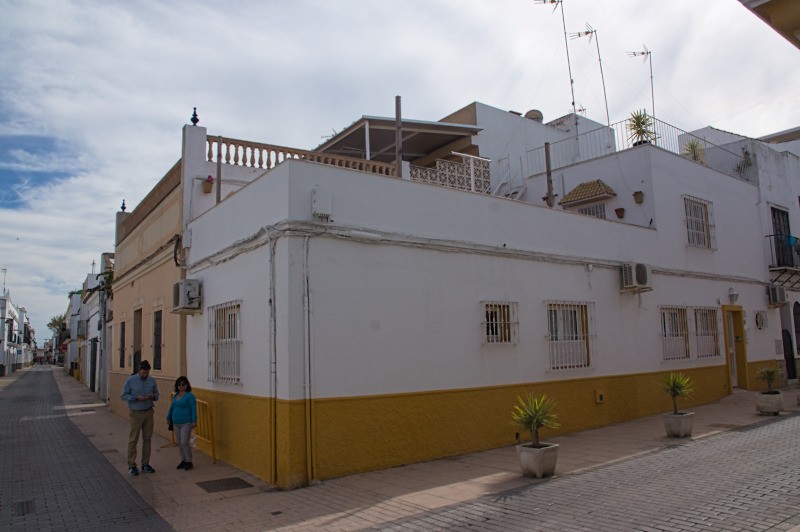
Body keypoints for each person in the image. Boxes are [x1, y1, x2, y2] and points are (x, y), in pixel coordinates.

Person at [121, 360, 159, 476]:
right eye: (143, 373)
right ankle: (132, 465)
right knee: (133, 439)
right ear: (139, 371)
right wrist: (135, 397)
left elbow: (157, 395)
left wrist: (153, 396)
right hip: (136, 412)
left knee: (147, 438)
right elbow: (123, 395)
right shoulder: (130, 380)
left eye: (146, 373)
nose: (144, 375)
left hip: (148, 412)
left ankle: (145, 464)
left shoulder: (152, 381)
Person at [166, 376, 197, 470]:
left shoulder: (190, 396)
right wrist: (168, 417)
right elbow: (172, 407)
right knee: (179, 443)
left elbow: (193, 409)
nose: (181, 386)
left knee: (184, 442)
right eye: (179, 384)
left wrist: (194, 420)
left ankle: (189, 461)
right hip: (176, 423)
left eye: (183, 384)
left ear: (187, 385)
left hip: (186, 422)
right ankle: (183, 460)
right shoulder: (176, 395)